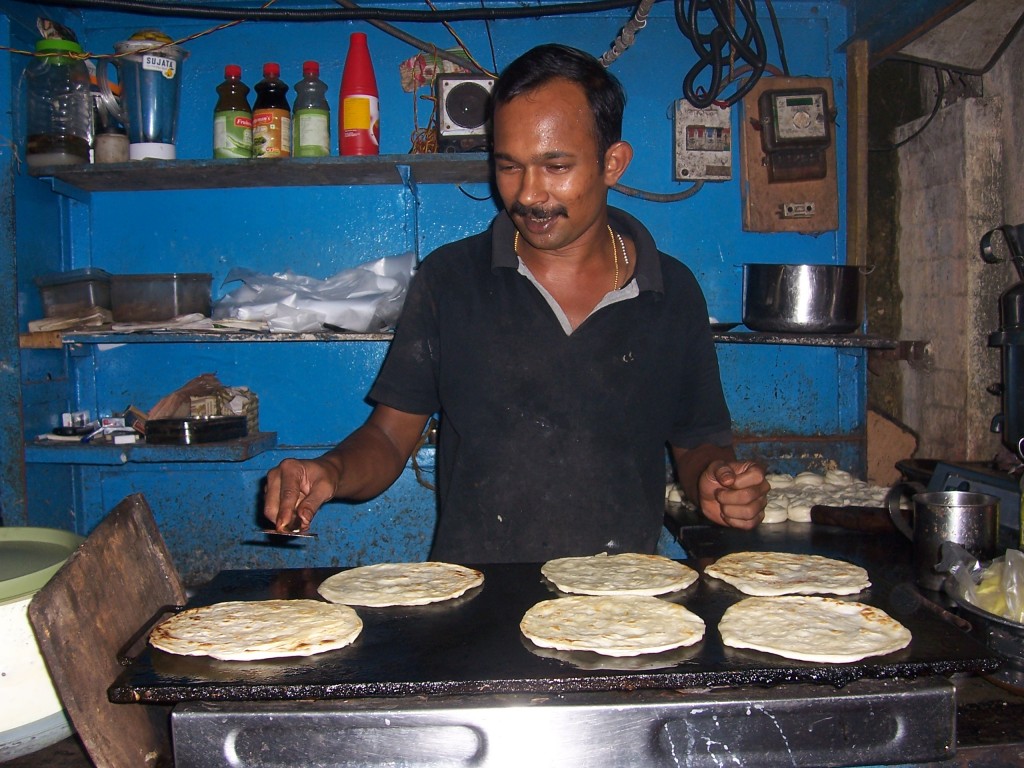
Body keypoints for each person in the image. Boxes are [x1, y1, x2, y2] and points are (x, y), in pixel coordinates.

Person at [264, 43, 769, 562]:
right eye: (510, 167)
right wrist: (330, 471)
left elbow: (697, 440)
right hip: (477, 604)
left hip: (620, 607)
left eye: (555, 166)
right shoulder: (450, 280)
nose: (529, 194)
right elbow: (390, 439)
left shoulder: (671, 291)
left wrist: (718, 478)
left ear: (612, 163)